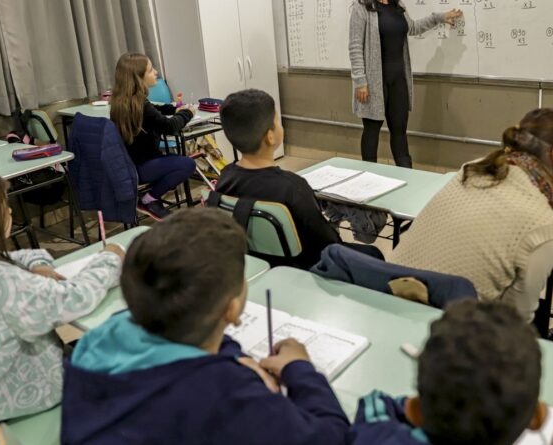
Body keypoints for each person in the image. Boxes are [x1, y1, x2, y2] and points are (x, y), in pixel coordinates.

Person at [61, 208, 349, 445]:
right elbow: (333, 437)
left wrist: (236, 357)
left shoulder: (101, 337)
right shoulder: (227, 395)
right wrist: (300, 369)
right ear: (233, 309)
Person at [0, 168, 124, 423]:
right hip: (26, 394)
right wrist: (110, 258)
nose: (9, 211)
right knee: (120, 356)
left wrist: (40, 265)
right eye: (5, 205)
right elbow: (76, 297)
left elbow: (17, 257)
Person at [390, 109, 553, 322]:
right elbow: (514, 321)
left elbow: (517, 194)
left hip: (386, 298)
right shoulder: (546, 228)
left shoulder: (474, 169)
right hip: (445, 334)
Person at [348, 299, 553, 445]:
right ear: (538, 416)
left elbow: (375, 404)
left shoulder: (380, 436)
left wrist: (437, 404)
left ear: (415, 411)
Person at [215, 89, 383, 269]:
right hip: (306, 268)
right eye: (277, 121)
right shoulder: (293, 187)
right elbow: (330, 243)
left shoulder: (225, 178)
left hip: (259, 264)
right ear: (270, 137)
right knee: (374, 254)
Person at [349, 0, 463, 168]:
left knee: (400, 131)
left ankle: (407, 174)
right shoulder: (362, 8)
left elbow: (413, 27)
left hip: (398, 80)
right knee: (372, 130)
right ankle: (368, 175)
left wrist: (439, 17)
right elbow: (355, 46)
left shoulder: (398, 6)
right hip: (373, 83)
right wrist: (360, 81)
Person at [110, 52, 196, 220]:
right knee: (187, 164)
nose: (156, 72)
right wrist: (188, 113)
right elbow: (170, 127)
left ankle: (149, 199)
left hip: (129, 164)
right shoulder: (141, 106)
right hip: (140, 167)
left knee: (173, 160)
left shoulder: (122, 101)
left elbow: (154, 110)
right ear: (138, 78)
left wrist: (172, 109)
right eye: (150, 70)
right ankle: (148, 200)